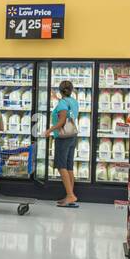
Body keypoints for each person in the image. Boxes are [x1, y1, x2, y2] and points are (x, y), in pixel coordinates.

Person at [49, 79, 80, 208]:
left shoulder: (62, 103)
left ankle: (70, 195)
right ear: (71, 91)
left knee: (61, 166)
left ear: (60, 91)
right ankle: (69, 196)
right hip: (72, 135)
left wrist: (49, 131)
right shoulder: (73, 101)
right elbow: (66, 109)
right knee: (69, 166)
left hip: (63, 138)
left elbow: (61, 121)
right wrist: (56, 98)